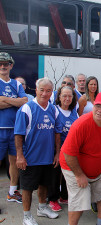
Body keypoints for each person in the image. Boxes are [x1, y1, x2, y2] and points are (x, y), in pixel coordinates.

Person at [59, 92, 101, 225]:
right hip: (73, 167)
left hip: (99, 168)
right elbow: (68, 153)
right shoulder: (81, 124)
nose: (100, 110)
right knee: (80, 198)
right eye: (97, 106)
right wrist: (79, 175)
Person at [15, 77, 62, 225]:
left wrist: (57, 153)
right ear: (36, 90)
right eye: (42, 90)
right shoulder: (27, 108)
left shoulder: (53, 109)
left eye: (48, 91)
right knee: (27, 188)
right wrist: (20, 156)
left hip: (47, 157)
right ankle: (26, 216)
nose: (45, 93)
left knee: (44, 185)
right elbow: (18, 134)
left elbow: (57, 132)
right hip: (30, 158)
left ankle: (42, 208)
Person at [0, 52, 27, 205]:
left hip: (15, 130)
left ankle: (12, 192)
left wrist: (4, 99)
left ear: (11, 65)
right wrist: (14, 101)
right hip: (0, 129)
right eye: (0, 64)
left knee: (14, 161)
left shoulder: (16, 84)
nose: (3, 66)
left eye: (6, 64)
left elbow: (24, 101)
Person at [48, 86, 79, 212]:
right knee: (55, 175)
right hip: (57, 150)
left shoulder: (74, 112)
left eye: (70, 96)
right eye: (64, 96)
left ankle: (64, 197)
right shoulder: (54, 110)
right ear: (59, 97)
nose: (67, 98)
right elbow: (55, 133)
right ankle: (53, 199)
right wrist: (57, 152)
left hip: (70, 151)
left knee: (68, 174)